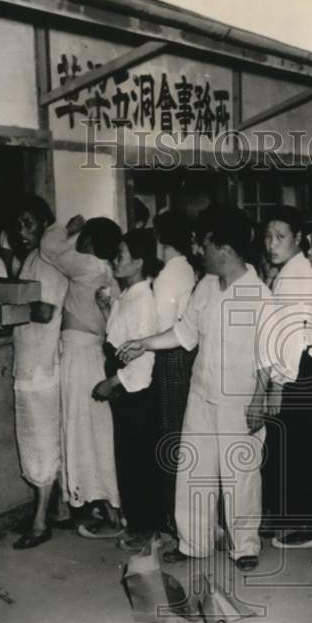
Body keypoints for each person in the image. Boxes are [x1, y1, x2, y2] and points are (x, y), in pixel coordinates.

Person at [117, 204, 271, 572]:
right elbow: (184, 334)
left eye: (205, 244)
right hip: (201, 392)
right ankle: (195, 542)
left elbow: (268, 355)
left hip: (241, 397)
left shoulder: (259, 294)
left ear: (225, 249)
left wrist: (260, 400)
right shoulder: (204, 286)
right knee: (194, 469)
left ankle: (245, 545)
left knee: (240, 473)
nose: (200, 251)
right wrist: (144, 343)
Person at [40, 214, 125, 538]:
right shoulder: (109, 274)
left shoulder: (89, 266)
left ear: (88, 242)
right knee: (96, 433)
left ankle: (110, 515)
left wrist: (67, 227)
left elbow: (50, 248)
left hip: (79, 357)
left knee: (83, 434)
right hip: (92, 356)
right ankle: (110, 508)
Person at [263, 206, 312, 549]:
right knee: (293, 445)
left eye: (281, 237)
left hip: (300, 366)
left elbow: (292, 335)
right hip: (303, 366)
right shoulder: (290, 270)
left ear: (298, 239)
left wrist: (278, 384)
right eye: (268, 236)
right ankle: (291, 518)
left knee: (295, 447)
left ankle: (302, 524)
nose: (272, 244)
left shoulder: (297, 274)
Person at [9, 195, 71, 550]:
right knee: (42, 440)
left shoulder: (47, 261)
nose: (22, 231)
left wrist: (7, 304)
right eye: (18, 225)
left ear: (45, 224)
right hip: (31, 363)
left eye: (28, 223)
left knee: (41, 444)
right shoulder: (33, 259)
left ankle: (39, 521)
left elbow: (45, 312)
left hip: (41, 366)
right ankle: (59, 509)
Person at [94, 229, 163, 547]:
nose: (114, 260)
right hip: (126, 391)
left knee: (138, 463)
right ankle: (138, 524)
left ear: (138, 262)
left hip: (137, 393)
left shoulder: (143, 300)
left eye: (120, 255)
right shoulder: (128, 295)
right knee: (128, 459)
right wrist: (107, 309)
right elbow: (120, 339)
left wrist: (112, 382)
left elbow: (143, 362)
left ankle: (145, 530)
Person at [150, 210, 198, 535]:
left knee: (171, 438)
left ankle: (173, 520)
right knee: (181, 440)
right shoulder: (187, 268)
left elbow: (161, 327)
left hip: (171, 358)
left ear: (161, 238)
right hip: (186, 355)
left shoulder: (168, 274)